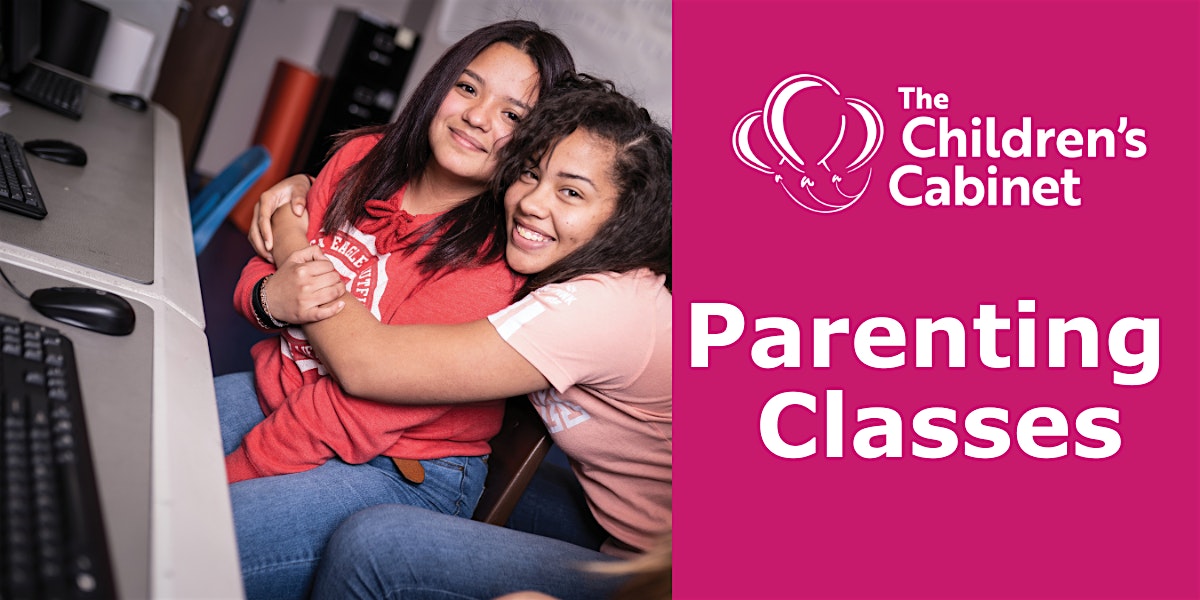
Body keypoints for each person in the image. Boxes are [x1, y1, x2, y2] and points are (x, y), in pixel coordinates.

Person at [264, 75, 672, 600]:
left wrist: (293, 238)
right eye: (530, 174)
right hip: (623, 531)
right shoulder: (567, 273)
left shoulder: (600, 308)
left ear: (625, 219)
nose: (530, 203)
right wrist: (307, 186)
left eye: (570, 192)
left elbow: (368, 363)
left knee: (377, 545)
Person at [214, 20, 575, 599]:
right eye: (467, 87)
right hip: (283, 390)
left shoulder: (493, 257)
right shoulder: (364, 157)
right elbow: (263, 274)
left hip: (403, 464)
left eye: (513, 115)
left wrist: (230, 477)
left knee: (197, 528)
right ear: (438, 87)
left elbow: (359, 404)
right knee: (143, 438)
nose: (478, 117)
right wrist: (268, 298)